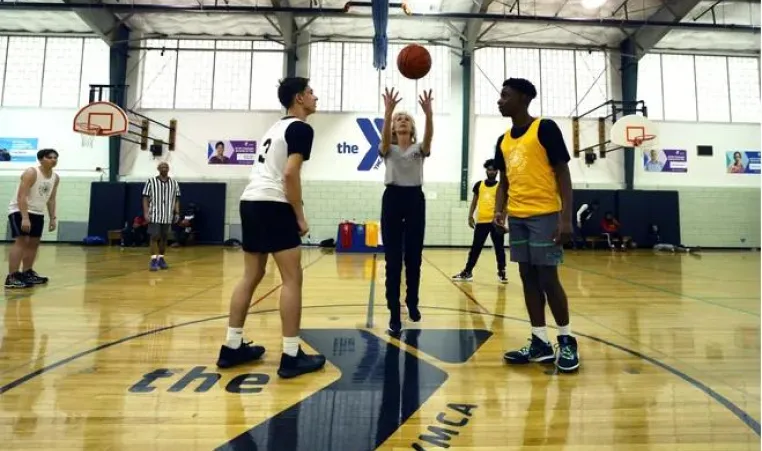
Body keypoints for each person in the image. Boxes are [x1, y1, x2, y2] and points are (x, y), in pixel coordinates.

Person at [216, 77, 326, 379]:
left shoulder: (275, 128)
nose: (316, 97)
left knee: (251, 275)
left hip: (250, 201)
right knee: (292, 279)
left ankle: (232, 346)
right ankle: (291, 355)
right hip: (273, 204)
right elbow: (290, 174)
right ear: (299, 98)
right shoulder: (301, 128)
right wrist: (299, 215)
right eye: (311, 93)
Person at [492, 78, 579, 373]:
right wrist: (499, 211)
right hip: (517, 217)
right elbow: (504, 180)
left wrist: (565, 217)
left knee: (548, 278)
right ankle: (540, 341)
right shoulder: (503, 140)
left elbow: (563, 173)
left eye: (505, 95)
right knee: (527, 277)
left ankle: (566, 340)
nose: (500, 100)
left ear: (524, 98)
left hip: (545, 215)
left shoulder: (545, 128)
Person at [379, 87, 434, 335]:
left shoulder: (419, 149)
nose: (401, 121)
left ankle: (412, 302)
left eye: (405, 119)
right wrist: (388, 110)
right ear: (392, 128)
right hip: (392, 199)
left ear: (412, 128)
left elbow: (429, 138)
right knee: (393, 259)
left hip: (414, 200)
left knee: (413, 257)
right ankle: (394, 312)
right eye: (397, 120)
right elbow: (382, 141)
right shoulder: (387, 149)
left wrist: (428, 114)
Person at [5, 149, 60, 289]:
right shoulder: (31, 172)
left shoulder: (56, 177)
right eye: (49, 157)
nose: (53, 160)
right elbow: (21, 196)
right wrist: (24, 217)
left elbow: (51, 199)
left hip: (37, 212)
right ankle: (12, 276)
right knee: (22, 241)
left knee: (34, 243)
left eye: (55, 157)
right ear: (41, 159)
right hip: (19, 210)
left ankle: (27, 272)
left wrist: (52, 218)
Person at [451, 158, 508, 284]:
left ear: (497, 172)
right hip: (481, 222)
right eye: (489, 170)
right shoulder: (479, 185)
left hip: (495, 222)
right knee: (475, 248)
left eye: (494, 170)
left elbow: (505, 204)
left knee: (499, 248)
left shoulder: (501, 186)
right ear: (486, 170)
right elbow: (474, 202)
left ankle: (502, 272)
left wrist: (502, 218)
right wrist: (470, 216)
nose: (491, 172)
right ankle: (467, 272)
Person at [142, 162, 181, 271]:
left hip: (167, 215)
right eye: (162, 167)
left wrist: (177, 213)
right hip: (154, 214)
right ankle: (153, 260)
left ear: (168, 169)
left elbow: (177, 199)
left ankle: (161, 258)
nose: (164, 168)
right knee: (154, 236)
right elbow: (145, 198)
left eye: (166, 167)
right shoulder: (151, 181)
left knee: (164, 238)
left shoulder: (174, 183)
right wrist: (146, 213)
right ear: (158, 169)